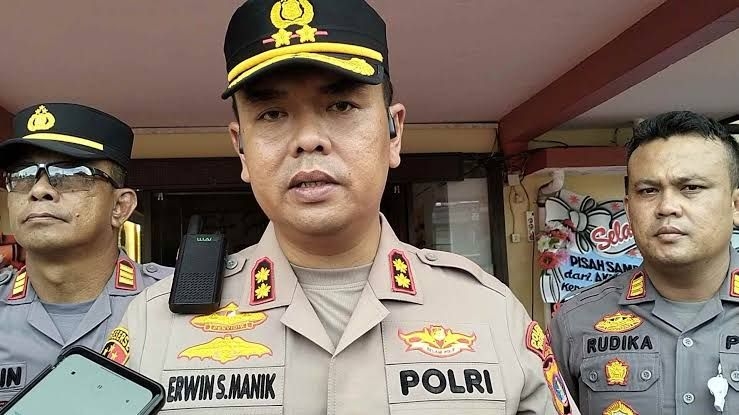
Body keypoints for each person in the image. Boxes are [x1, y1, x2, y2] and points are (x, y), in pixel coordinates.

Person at [108, 1, 578, 413]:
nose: (308, 139)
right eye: (272, 114)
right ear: (241, 149)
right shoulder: (155, 325)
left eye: (341, 106)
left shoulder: (488, 312)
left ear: (394, 133)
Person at [549, 111, 739, 415]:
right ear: (629, 208)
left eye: (691, 187)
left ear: (736, 205)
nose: (667, 207)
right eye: (648, 191)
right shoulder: (574, 322)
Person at [0, 103, 171, 406]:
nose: (39, 190)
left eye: (70, 174)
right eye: (23, 175)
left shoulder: (171, 302)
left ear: (120, 207)